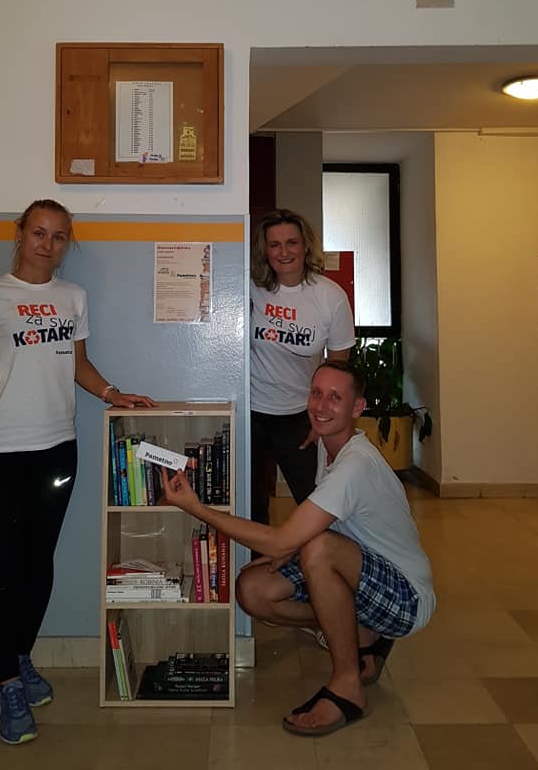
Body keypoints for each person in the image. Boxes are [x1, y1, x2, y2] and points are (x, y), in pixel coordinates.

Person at [0, 198, 155, 745]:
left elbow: (78, 364)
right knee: (1, 569)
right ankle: (7, 684)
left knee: (37, 564)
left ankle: (20, 657)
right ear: (20, 234)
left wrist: (113, 394)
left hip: (56, 452)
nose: (48, 244)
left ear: (68, 242)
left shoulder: (73, 296)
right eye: (39, 233)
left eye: (59, 236)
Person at [162, 360, 435, 737]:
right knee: (253, 590)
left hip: (406, 598)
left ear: (357, 408)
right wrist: (284, 550)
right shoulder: (327, 446)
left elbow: (285, 539)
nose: (321, 405)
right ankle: (360, 633)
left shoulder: (356, 465)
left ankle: (348, 686)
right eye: (316, 393)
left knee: (318, 549)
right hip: (358, 572)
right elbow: (318, 526)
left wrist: (198, 509)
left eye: (335, 398)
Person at [250, 209, 355, 524]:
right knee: (251, 506)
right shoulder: (251, 288)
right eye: (275, 244)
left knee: (316, 505)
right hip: (251, 413)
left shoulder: (330, 296)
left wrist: (320, 420)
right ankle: (258, 557)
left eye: (292, 242)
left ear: (306, 245)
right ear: (265, 250)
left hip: (299, 416)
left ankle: (322, 555)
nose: (284, 252)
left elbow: (338, 370)